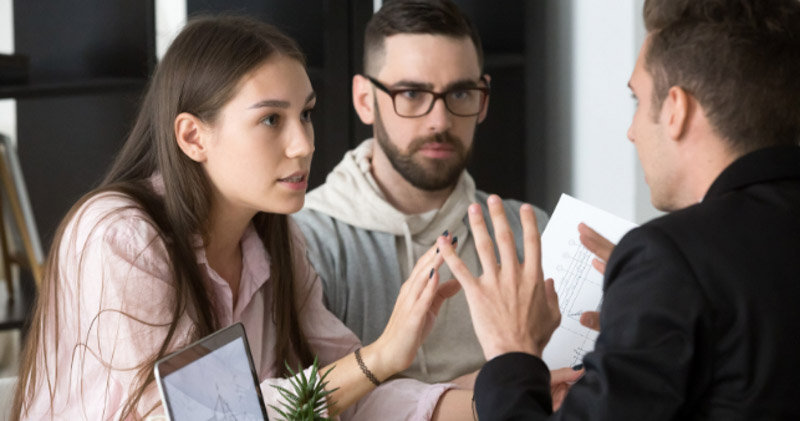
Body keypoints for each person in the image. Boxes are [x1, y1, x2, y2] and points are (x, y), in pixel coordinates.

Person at [10, 16, 477, 420]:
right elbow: (205, 416)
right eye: (271, 120)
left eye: (306, 114)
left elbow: (351, 395)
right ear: (193, 137)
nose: (304, 144)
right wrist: (378, 358)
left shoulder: (278, 241)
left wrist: (497, 403)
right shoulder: (120, 238)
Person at [437, 0, 800, 419]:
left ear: (676, 110)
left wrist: (511, 353)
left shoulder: (669, 259)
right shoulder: (679, 269)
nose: (631, 132)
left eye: (638, 101)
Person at [292, 0, 552, 386]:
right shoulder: (302, 242)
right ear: (365, 99)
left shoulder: (530, 232)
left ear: (484, 99)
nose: (440, 121)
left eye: (461, 93)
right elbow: (295, 405)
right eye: (412, 93)